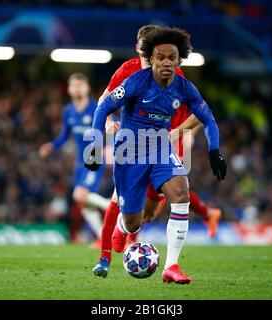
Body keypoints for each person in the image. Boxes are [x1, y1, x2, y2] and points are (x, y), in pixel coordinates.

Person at [86, 27, 227, 284]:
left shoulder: (184, 86)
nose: (166, 62)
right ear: (150, 59)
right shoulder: (135, 81)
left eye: (171, 57)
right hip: (129, 152)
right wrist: (95, 144)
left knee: (181, 191)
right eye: (160, 57)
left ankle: (171, 266)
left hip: (161, 147)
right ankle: (121, 227)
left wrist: (214, 149)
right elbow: (103, 107)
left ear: (179, 60)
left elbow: (207, 117)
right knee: (135, 222)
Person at [39, 73, 109, 244]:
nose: (77, 88)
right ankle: (103, 238)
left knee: (80, 194)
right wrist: (51, 145)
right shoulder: (68, 111)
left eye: (80, 85)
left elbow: (110, 125)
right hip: (80, 160)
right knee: (83, 203)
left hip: (95, 153)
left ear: (87, 88)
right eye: (74, 85)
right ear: (69, 89)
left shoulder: (96, 107)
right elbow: (64, 136)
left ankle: (118, 208)